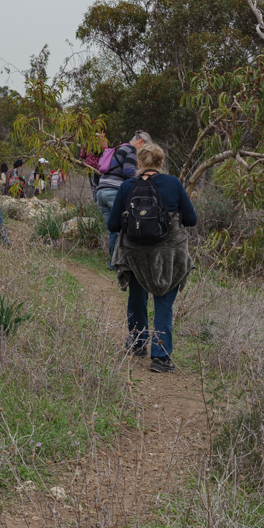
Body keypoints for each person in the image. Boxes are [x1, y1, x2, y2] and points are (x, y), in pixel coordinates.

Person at [107, 143, 196, 373]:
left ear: (139, 162)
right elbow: (192, 219)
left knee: (137, 297)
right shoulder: (173, 183)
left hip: (136, 255)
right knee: (163, 302)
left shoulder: (128, 185)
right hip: (169, 255)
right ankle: (161, 357)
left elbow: (113, 224)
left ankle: (137, 343)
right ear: (161, 163)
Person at [96, 131, 150, 267]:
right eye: (144, 150)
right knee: (123, 228)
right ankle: (119, 262)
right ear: (141, 142)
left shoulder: (119, 148)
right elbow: (128, 171)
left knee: (113, 229)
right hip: (114, 192)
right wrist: (143, 179)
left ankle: (113, 262)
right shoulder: (131, 149)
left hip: (101, 191)